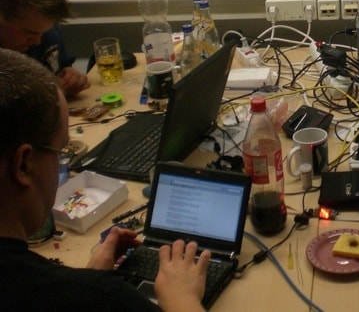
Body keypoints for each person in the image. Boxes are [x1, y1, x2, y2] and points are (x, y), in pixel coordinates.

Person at [0, 48, 210, 311]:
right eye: (61, 151)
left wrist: (88, 279)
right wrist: (183, 298)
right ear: (23, 165)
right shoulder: (105, 298)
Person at [0, 0, 90, 99]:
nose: (37, 41)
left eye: (45, 31)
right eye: (29, 32)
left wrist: (70, 79)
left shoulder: (44, 26)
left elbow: (59, 70)